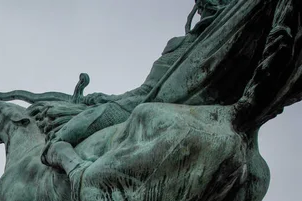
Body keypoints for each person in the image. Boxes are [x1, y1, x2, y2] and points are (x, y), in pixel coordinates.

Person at [38, 0, 233, 184]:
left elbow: (148, 90)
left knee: (61, 138)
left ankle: (67, 160)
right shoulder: (185, 44)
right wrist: (108, 97)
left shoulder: (208, 42)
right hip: (147, 98)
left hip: (142, 102)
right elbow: (150, 86)